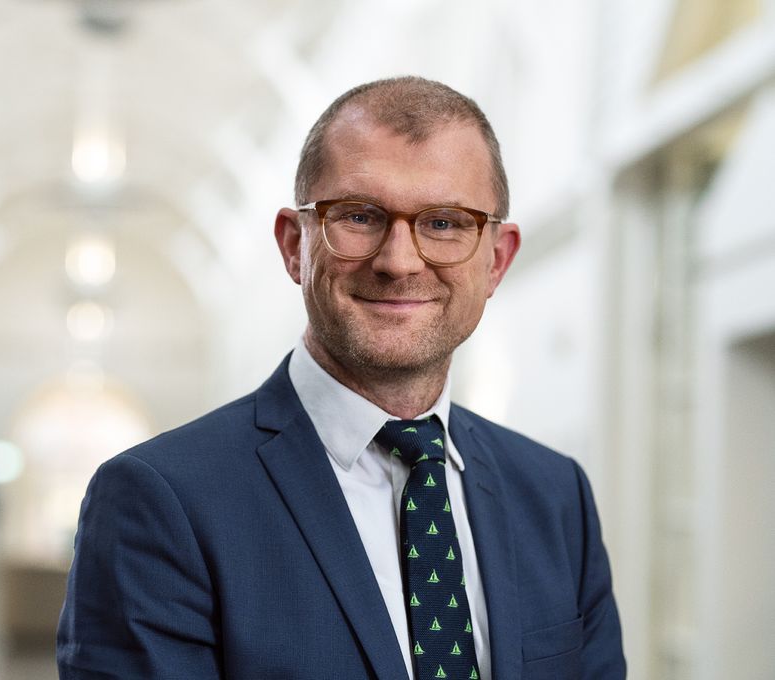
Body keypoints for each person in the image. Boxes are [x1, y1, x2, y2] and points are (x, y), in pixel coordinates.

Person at [57, 76, 625, 680]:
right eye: (359, 216)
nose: (399, 262)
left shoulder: (555, 496)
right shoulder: (161, 501)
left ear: (497, 260)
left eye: (444, 223)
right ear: (293, 245)